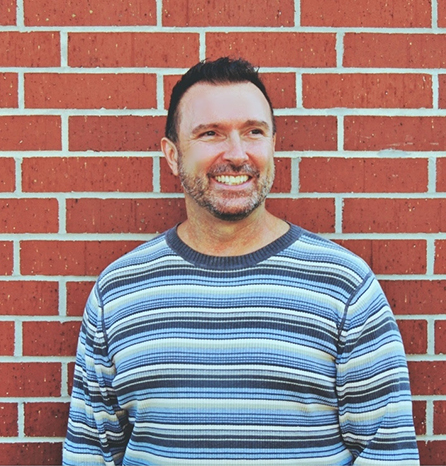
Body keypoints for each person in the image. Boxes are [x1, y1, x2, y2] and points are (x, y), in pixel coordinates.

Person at [63, 57, 420, 465]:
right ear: (172, 155)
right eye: (210, 133)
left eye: (253, 132)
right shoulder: (119, 292)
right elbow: (90, 453)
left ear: (273, 145)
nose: (236, 154)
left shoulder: (343, 286)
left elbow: (387, 454)